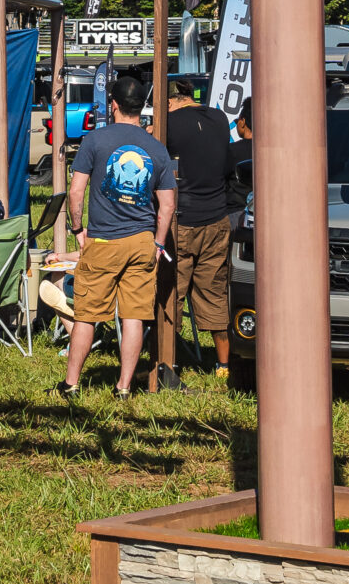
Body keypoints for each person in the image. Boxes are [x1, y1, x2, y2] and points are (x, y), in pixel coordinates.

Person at [62, 68, 176, 400]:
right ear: (140, 107)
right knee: (134, 316)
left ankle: (71, 385)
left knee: (87, 315)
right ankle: (124, 387)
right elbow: (167, 205)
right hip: (142, 241)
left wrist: (77, 230)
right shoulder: (156, 148)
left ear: (113, 104)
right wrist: (158, 243)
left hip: (103, 239)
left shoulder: (94, 141)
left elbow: (75, 192)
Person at [162, 78, 237, 384]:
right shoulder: (219, 118)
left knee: (172, 294)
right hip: (217, 218)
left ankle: (168, 364)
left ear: (170, 101)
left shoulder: (169, 125)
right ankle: (223, 364)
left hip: (182, 221)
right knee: (215, 293)